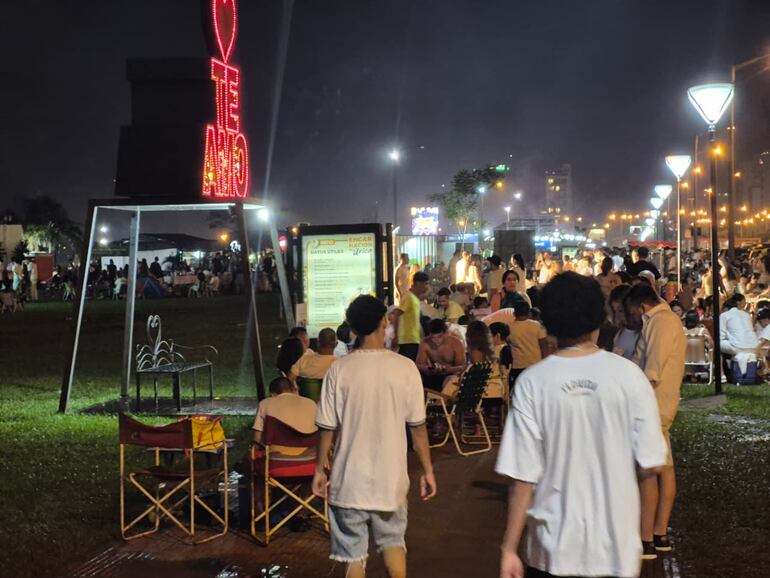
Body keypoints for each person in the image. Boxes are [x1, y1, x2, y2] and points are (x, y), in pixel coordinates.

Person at [497, 272, 667, 578]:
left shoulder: (532, 383)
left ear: (547, 323)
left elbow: (523, 477)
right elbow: (650, 466)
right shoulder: (630, 377)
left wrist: (509, 548)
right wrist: (643, 540)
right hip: (616, 552)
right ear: (599, 319)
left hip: (551, 552)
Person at [313, 295, 436, 578]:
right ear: (384, 322)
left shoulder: (339, 370)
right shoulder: (405, 368)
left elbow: (327, 428)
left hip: (348, 481)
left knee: (353, 558)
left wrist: (319, 469)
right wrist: (428, 470)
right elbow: (418, 427)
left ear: (353, 329)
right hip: (390, 480)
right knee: (393, 544)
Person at [624, 283, 686, 558]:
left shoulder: (660, 322)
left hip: (653, 406)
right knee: (665, 469)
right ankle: (659, 535)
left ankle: (646, 538)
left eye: (629, 312)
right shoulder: (664, 321)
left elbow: (652, 370)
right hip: (662, 404)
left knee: (646, 472)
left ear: (641, 306)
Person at [252, 376, 317, 450]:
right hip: (310, 452)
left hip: (278, 456)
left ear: (272, 394)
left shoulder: (265, 403)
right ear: (293, 390)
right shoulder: (311, 403)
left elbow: (257, 438)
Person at [415, 318, 466, 391]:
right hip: (433, 375)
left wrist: (446, 369)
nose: (436, 341)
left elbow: (461, 367)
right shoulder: (425, 343)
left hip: (451, 376)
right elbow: (419, 365)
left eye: (439, 337)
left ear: (446, 333)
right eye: (433, 337)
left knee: (450, 379)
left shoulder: (456, 343)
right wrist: (429, 369)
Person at [506, 301, 548, 385]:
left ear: (514, 313)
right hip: (536, 364)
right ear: (529, 313)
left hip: (518, 365)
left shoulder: (508, 327)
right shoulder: (537, 325)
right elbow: (544, 346)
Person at [391, 271, 429, 361]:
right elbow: (396, 314)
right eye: (425, 284)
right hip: (407, 340)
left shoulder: (415, 298)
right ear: (418, 283)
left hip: (414, 339)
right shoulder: (408, 297)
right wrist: (395, 336)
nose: (427, 287)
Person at [609, 284, 640, 360]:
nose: (617, 316)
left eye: (621, 311)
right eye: (614, 311)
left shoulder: (645, 333)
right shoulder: (619, 333)